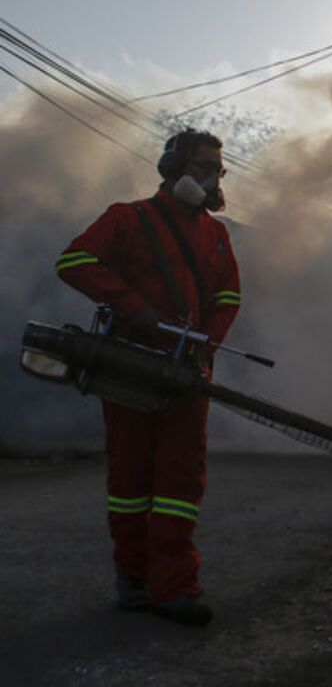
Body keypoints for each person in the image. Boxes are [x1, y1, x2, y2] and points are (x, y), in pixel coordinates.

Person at [56, 128, 241, 626]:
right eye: (203, 167)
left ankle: (175, 587)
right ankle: (133, 579)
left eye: (217, 171)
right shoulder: (128, 218)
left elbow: (227, 297)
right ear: (172, 165)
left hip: (186, 373)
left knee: (181, 483)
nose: (210, 178)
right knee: (130, 480)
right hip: (129, 368)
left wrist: (205, 347)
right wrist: (133, 306)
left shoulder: (216, 234)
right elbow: (73, 261)